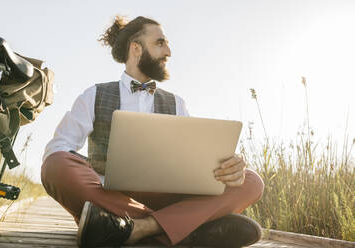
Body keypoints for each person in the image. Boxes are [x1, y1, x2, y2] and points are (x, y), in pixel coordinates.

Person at [41, 15, 265, 248]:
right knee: (55, 165)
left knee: (251, 182)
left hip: (166, 198)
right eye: (160, 43)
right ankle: (187, 229)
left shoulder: (176, 103)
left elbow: (195, 160)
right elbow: (58, 148)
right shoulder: (94, 95)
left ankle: (136, 228)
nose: (168, 51)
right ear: (136, 49)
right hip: (109, 196)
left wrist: (230, 166)